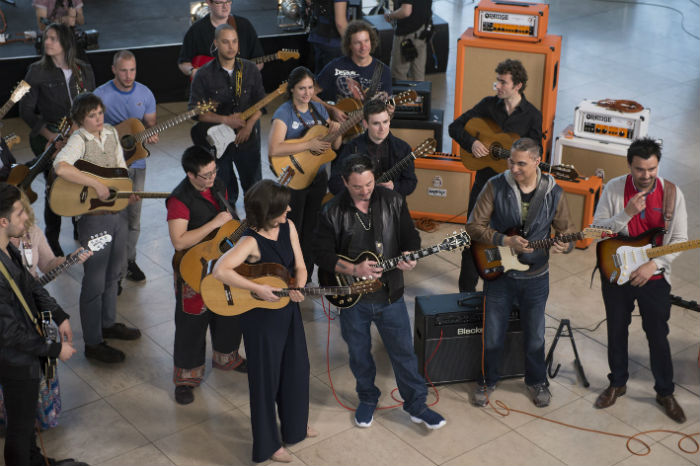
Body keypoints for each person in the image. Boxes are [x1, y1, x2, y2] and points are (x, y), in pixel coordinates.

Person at [313, 154, 446, 430]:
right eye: (357, 186)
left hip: (390, 294)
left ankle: (416, 405)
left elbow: (410, 236)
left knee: (404, 352)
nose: (365, 191)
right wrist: (353, 269)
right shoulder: (331, 211)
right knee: (359, 353)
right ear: (344, 183)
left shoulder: (393, 201)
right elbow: (321, 255)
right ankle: (367, 397)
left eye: (370, 184)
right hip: (352, 299)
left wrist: (410, 254)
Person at [465, 137, 574, 408]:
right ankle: (488, 380)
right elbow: (473, 226)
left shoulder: (553, 192)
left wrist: (566, 244)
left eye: (521, 164)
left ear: (538, 162)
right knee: (492, 333)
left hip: (536, 278)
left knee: (535, 334)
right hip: (499, 276)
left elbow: (568, 233)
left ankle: (537, 381)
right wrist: (504, 240)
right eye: (511, 162)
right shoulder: (494, 186)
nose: (514, 168)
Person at [212, 179, 316, 463]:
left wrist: (300, 285)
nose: (289, 209)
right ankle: (268, 444)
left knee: (297, 368)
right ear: (269, 212)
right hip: (261, 318)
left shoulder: (289, 227)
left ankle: (295, 428)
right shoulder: (249, 241)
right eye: (283, 207)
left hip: (287, 310)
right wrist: (257, 288)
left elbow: (301, 266)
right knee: (265, 380)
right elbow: (220, 270)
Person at [592, 138, 687, 423]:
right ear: (629, 166)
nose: (646, 176)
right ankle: (617, 383)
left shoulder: (672, 193)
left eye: (652, 169)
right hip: (616, 270)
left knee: (658, 334)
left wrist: (654, 265)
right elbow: (597, 230)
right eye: (640, 169)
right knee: (617, 330)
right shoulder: (613, 189)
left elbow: (680, 240)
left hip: (653, 275)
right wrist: (626, 214)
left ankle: (665, 392)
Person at [0, 182, 88, 466]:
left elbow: (32, 286)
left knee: (27, 422)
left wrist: (59, 314)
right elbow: (9, 333)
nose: (26, 217)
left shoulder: (7, 250)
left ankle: (36, 461)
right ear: (3, 221)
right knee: (20, 427)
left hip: (23, 353)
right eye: (19, 214)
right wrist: (53, 349)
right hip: (14, 360)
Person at [53, 92, 141, 364]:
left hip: (118, 213)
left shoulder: (112, 133)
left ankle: (108, 323)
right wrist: (94, 184)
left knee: (115, 272)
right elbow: (60, 166)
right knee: (95, 278)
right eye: (92, 115)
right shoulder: (78, 139)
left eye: (100, 112)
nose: (98, 118)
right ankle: (93, 342)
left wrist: (126, 190)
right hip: (93, 219)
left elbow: (119, 167)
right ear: (81, 119)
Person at [448, 58, 542, 293]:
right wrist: (473, 142)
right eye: (497, 81)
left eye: (502, 82)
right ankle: (466, 294)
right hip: (484, 184)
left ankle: (502, 292)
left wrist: (520, 164)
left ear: (518, 85)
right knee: (473, 238)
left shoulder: (532, 116)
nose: (497, 86)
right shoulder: (488, 105)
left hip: (513, 189)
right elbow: (455, 127)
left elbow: (536, 153)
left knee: (509, 240)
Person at [166, 146, 247, 405]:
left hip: (221, 261)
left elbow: (228, 220)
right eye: (206, 175)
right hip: (194, 267)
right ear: (190, 175)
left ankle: (227, 356)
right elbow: (179, 241)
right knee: (192, 319)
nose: (212, 178)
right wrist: (214, 223)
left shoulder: (218, 185)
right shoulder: (179, 199)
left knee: (228, 308)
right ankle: (186, 378)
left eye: (214, 171)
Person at [19, 22, 96, 257]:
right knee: (55, 185)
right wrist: (50, 135)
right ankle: (52, 237)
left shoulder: (83, 69)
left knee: (79, 180)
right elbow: (26, 110)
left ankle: (77, 224)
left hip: (78, 135)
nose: (47, 42)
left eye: (52, 38)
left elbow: (91, 103)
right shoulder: (35, 70)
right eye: (46, 38)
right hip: (48, 137)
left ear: (65, 42)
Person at [268, 66, 341, 278]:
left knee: (311, 229)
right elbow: (275, 148)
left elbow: (334, 147)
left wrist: (336, 132)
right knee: (293, 228)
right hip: (293, 179)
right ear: (291, 89)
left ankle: (305, 274)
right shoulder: (284, 113)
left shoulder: (319, 110)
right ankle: (288, 272)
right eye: (301, 88)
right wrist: (308, 144)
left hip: (316, 178)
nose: (307, 93)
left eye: (310, 88)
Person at [95, 50, 158, 285]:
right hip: (112, 167)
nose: (128, 75)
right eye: (123, 70)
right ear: (113, 70)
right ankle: (115, 272)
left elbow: (150, 123)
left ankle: (128, 261)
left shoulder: (145, 93)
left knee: (134, 219)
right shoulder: (100, 95)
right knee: (115, 218)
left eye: (132, 70)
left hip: (138, 164)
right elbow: (89, 131)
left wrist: (152, 134)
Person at [189, 24, 265, 206]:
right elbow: (195, 112)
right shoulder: (203, 74)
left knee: (255, 190)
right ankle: (230, 228)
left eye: (234, 42)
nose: (231, 47)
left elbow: (261, 104)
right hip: (218, 142)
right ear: (216, 43)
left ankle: (255, 229)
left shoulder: (250, 69)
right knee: (224, 193)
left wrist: (248, 126)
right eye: (225, 42)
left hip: (246, 139)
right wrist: (224, 120)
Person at [328, 99, 417, 197]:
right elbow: (334, 182)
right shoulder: (352, 147)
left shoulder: (403, 148)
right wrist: (358, 192)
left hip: (392, 206)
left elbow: (410, 182)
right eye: (376, 123)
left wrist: (394, 187)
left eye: (385, 122)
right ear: (366, 124)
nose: (382, 128)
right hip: (358, 208)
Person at [316, 19, 393, 123]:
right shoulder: (335, 66)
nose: (363, 47)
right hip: (338, 128)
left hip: (367, 130)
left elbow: (387, 109)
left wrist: (390, 112)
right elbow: (309, 94)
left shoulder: (383, 71)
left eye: (366, 41)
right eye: (357, 43)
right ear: (349, 45)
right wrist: (331, 109)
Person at [178, 0, 264, 78]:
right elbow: (183, 63)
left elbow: (259, 60)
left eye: (228, 1)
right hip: (207, 91)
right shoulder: (196, 30)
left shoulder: (244, 25)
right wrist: (193, 71)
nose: (225, 6)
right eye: (219, 2)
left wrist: (247, 74)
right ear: (208, 2)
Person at [384, 0, 431, 81]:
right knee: (418, 72)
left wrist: (390, 15)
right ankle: (419, 93)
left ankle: (401, 93)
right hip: (422, 29)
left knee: (398, 74)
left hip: (406, 33)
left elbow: (406, 11)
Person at [307, 0, 349, 73]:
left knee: (320, 79)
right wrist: (352, 44)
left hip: (318, 38)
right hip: (334, 44)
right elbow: (340, 24)